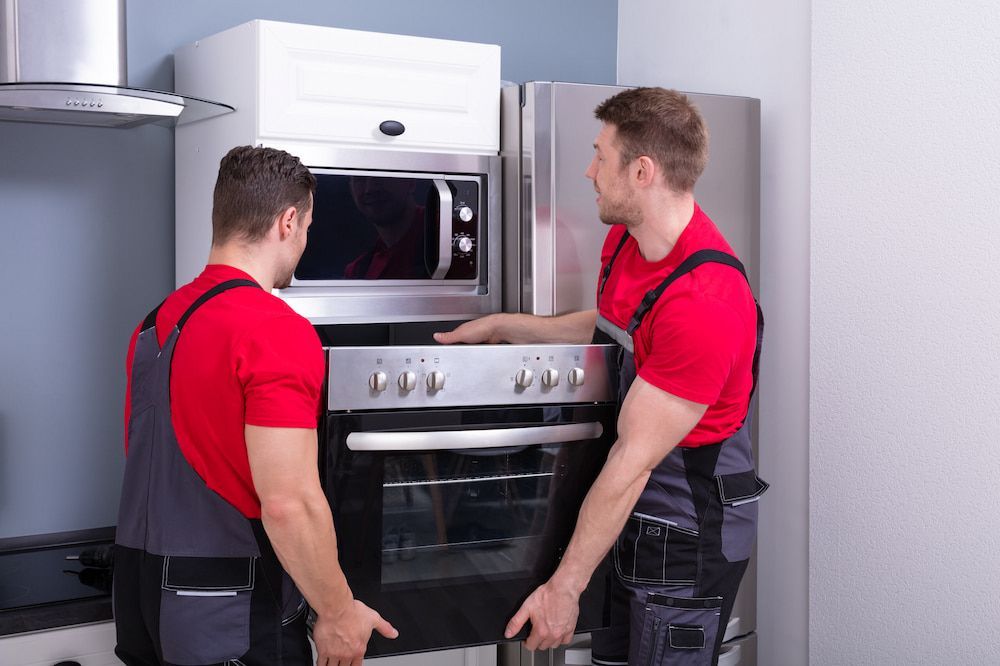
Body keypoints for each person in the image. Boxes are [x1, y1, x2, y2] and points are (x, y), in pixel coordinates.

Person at [434, 87, 766, 665]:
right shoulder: (628, 241)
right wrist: (503, 328)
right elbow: (617, 326)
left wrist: (565, 587)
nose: (589, 171)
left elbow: (633, 459)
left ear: (642, 171)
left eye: (600, 156)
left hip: (683, 530)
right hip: (625, 508)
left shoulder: (705, 303)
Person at [114, 145, 397, 666]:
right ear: (288, 221)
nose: (305, 241)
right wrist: (337, 612)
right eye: (308, 226)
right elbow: (289, 501)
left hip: (143, 607)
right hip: (229, 620)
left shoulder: (154, 324)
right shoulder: (275, 330)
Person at [342, 175, 429, 279]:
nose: (370, 189)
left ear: (411, 181)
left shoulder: (446, 237)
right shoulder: (357, 272)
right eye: (359, 179)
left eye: (380, 175)